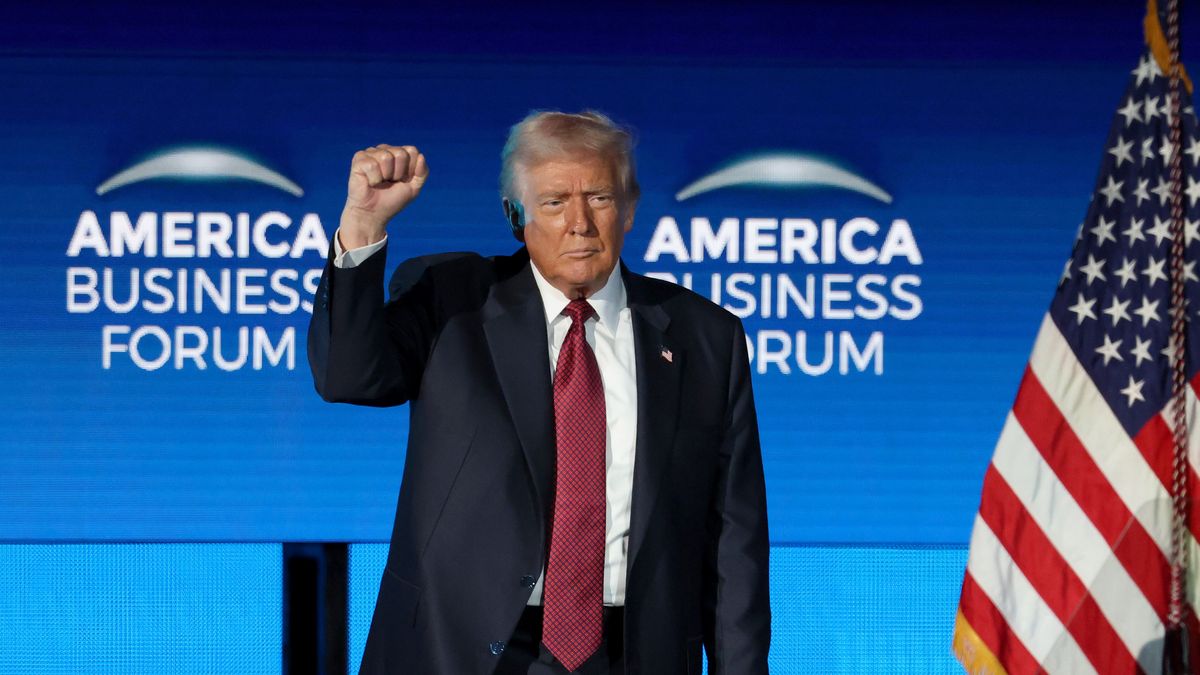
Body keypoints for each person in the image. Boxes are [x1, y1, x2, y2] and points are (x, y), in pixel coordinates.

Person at [308, 111, 770, 674]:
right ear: (515, 216)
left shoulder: (705, 336)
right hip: (459, 650)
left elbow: (734, 537)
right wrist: (361, 225)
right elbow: (348, 377)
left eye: (598, 197)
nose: (580, 223)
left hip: (634, 652)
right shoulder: (453, 302)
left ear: (629, 208)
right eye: (554, 202)